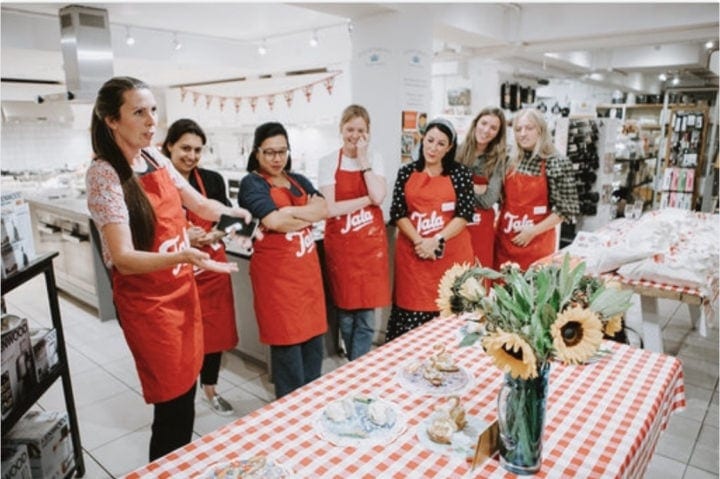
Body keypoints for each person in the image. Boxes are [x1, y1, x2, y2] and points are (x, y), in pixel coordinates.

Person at [86, 76, 254, 461]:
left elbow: (200, 204)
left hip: (182, 296)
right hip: (150, 308)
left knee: (186, 399)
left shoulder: (154, 157)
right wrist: (182, 256)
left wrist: (233, 213)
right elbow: (125, 258)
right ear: (112, 120)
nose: (151, 121)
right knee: (172, 410)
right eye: (139, 112)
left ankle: (177, 467)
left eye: (154, 111)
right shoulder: (104, 174)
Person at [238, 122, 328, 399]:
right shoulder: (251, 183)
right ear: (257, 153)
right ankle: (290, 411)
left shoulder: (298, 179)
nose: (277, 158)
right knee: (288, 350)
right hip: (277, 282)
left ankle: (311, 404)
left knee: (314, 347)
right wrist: (301, 213)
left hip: (308, 279)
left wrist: (288, 212)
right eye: (270, 153)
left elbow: (324, 209)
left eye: (282, 151)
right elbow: (274, 221)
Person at [162, 118, 238, 416]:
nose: (191, 156)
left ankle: (211, 388)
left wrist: (213, 235)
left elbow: (232, 220)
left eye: (197, 149)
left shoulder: (212, 180)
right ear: (169, 146)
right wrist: (183, 237)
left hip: (212, 269)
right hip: (176, 271)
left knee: (214, 335)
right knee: (181, 338)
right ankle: (181, 393)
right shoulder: (157, 185)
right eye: (184, 148)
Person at [386, 118, 475, 341]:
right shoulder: (406, 172)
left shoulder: (461, 174)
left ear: (449, 147)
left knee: (449, 323)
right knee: (411, 325)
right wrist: (419, 241)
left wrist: (437, 239)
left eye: (441, 143)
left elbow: (464, 215)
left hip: (451, 258)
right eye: (430, 140)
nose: (433, 148)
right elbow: (398, 213)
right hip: (413, 259)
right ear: (422, 139)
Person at [317, 105, 390, 361]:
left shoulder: (374, 159)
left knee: (367, 316)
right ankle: (354, 361)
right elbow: (331, 208)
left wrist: (363, 160)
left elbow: (379, 196)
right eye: (350, 129)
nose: (355, 135)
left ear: (368, 133)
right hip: (342, 249)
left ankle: (360, 366)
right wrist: (366, 199)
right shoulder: (327, 162)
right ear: (341, 129)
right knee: (346, 315)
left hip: (370, 249)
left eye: (361, 130)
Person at [495, 108, 580, 271]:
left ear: (540, 130)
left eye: (529, 128)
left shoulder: (556, 162)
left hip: (537, 244)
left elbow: (565, 210)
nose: (523, 134)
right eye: (518, 129)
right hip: (505, 241)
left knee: (533, 292)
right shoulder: (509, 159)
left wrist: (533, 231)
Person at [455, 107, 507, 268]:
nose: (486, 130)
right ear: (475, 123)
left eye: (493, 128)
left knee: (480, 276)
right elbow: (448, 191)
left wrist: (461, 185)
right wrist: (476, 187)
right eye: (484, 123)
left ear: (498, 133)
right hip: (455, 225)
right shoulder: (455, 152)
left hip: (482, 229)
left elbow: (487, 200)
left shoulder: (498, 160)